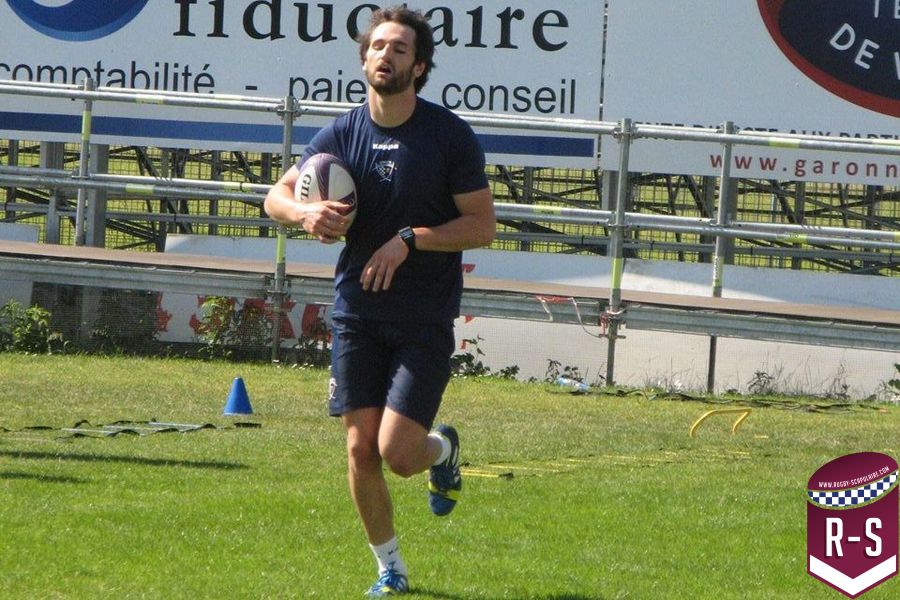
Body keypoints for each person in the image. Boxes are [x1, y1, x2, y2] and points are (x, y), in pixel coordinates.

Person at [264, 5, 496, 597]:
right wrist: (306, 213)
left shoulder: (448, 136)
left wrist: (410, 238)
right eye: (377, 47)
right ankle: (389, 569)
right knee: (359, 448)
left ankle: (441, 449)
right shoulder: (341, 135)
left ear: (419, 67)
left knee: (399, 454)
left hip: (423, 317)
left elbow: (482, 226)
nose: (385, 55)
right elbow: (276, 197)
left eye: (399, 49)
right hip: (357, 314)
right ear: (364, 58)